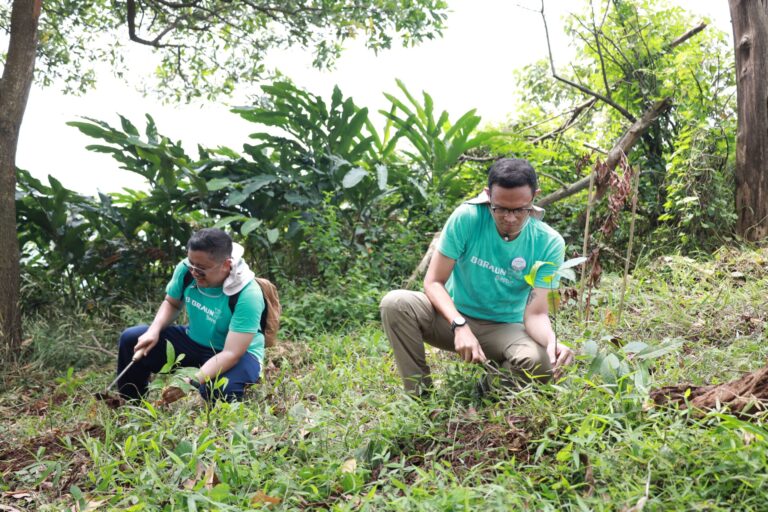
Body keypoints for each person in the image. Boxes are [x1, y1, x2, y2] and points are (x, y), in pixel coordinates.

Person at [380, 158, 575, 396]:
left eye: (520, 210)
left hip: (505, 328)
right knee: (396, 303)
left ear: (535, 196)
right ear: (488, 195)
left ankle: (487, 389)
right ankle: (420, 395)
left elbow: (536, 313)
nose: (510, 218)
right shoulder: (468, 217)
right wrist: (459, 325)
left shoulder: (549, 242)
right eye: (500, 208)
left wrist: (551, 342)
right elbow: (433, 282)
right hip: (451, 318)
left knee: (539, 362)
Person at [116, 228, 265, 402]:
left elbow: (231, 353)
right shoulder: (187, 270)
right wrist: (153, 331)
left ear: (226, 265)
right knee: (131, 339)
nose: (194, 272)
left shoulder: (248, 294)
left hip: (234, 352)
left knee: (221, 390)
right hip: (194, 341)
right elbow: (172, 303)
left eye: (201, 268)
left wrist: (191, 381)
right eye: (191, 264)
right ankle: (131, 403)